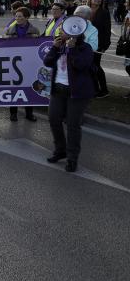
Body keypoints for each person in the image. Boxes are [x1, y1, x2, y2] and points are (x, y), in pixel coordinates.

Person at [43, 22, 96, 173]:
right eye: (61, 31)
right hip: (58, 90)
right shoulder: (59, 47)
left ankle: (72, 158)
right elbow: (47, 62)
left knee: (73, 125)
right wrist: (54, 47)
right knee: (54, 119)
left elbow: (81, 65)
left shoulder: (84, 48)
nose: (62, 34)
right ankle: (61, 150)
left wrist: (72, 50)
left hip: (77, 92)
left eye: (64, 31)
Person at [4, 7, 40, 122]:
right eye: (16, 16)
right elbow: (3, 44)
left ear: (26, 17)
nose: (17, 18)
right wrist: (5, 38)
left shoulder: (34, 30)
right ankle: (13, 113)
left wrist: (36, 38)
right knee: (14, 88)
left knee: (29, 87)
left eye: (20, 16)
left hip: (28, 63)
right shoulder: (10, 29)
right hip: (14, 63)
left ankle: (29, 113)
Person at [87, 0, 111, 98]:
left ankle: (104, 90)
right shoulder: (86, 10)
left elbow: (107, 30)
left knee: (96, 66)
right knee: (89, 66)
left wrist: (104, 46)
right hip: (85, 43)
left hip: (98, 44)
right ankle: (94, 88)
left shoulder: (104, 12)